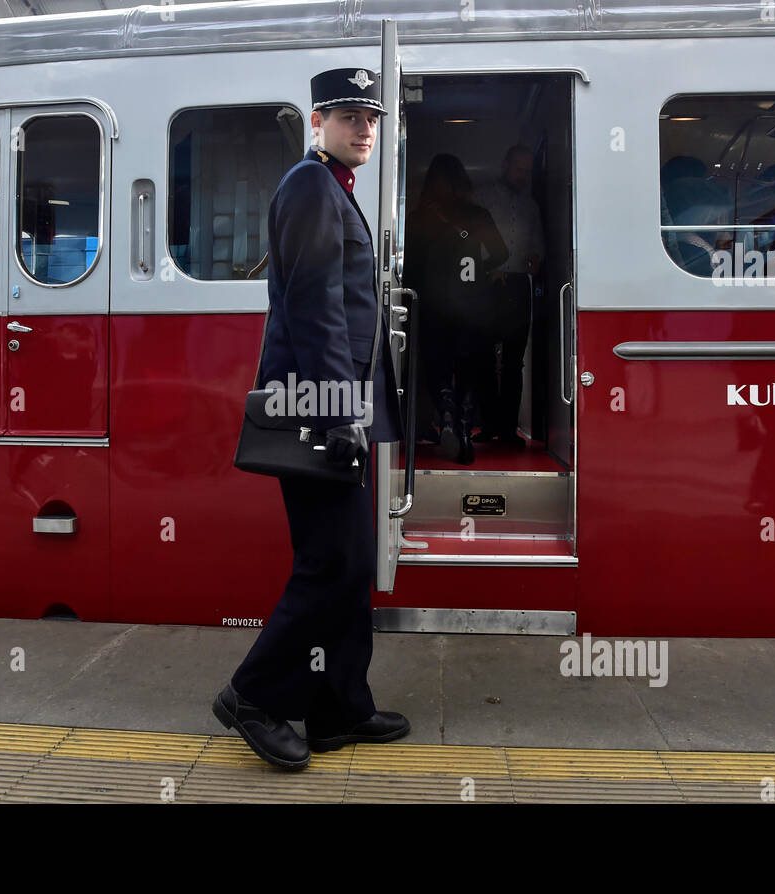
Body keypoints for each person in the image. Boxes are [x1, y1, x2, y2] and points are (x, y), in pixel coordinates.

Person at [213, 67, 410, 771]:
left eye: (371, 118)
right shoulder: (309, 186)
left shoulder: (332, 189)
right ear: (318, 119)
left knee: (352, 565)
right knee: (332, 563)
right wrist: (334, 414)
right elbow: (314, 307)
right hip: (319, 412)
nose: (364, 128)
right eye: (350, 114)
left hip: (338, 409)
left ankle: (337, 707)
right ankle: (253, 696)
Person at [404, 154, 508, 464]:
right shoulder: (478, 214)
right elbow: (501, 253)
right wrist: (480, 268)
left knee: (437, 368)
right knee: (469, 371)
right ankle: (464, 429)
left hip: (435, 307)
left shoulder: (419, 219)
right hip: (473, 307)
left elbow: (408, 270)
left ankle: (445, 413)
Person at [474, 145, 545, 448]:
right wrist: (488, 267)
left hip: (518, 284)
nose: (523, 176)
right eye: (519, 169)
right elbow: (471, 236)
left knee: (515, 362)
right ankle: (488, 425)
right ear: (505, 165)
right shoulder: (483, 197)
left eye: (527, 171)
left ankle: (507, 429)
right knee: (485, 359)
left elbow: (539, 242)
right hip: (489, 283)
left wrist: (537, 258)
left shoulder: (531, 206)